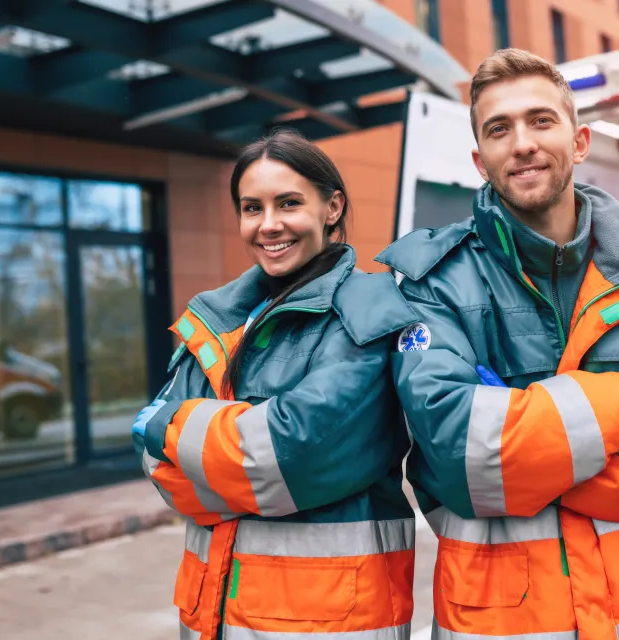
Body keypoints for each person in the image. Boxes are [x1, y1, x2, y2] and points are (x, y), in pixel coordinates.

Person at [378, 49, 619, 640]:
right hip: (514, 619)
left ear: (578, 142)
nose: (522, 143)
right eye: (499, 129)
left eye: (541, 120)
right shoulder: (432, 284)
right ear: (480, 160)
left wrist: (528, 448)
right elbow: (458, 457)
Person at [132, 129, 418, 640]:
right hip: (212, 614)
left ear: (333, 207)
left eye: (288, 203)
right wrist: (232, 459)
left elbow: (288, 454)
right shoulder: (219, 317)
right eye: (251, 208)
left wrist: (174, 431)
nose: (268, 226)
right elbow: (156, 466)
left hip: (327, 619)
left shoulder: (368, 313)